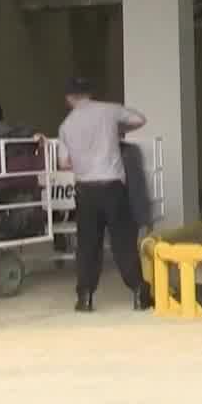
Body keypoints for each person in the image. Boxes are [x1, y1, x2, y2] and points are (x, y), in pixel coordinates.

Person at [57, 77, 152, 312]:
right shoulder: (109, 111)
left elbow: (64, 163)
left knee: (88, 245)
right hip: (112, 187)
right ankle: (139, 292)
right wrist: (118, 130)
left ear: (69, 98)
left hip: (86, 190)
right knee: (123, 242)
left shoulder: (66, 126)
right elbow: (140, 119)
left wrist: (83, 158)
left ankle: (85, 297)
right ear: (90, 93)